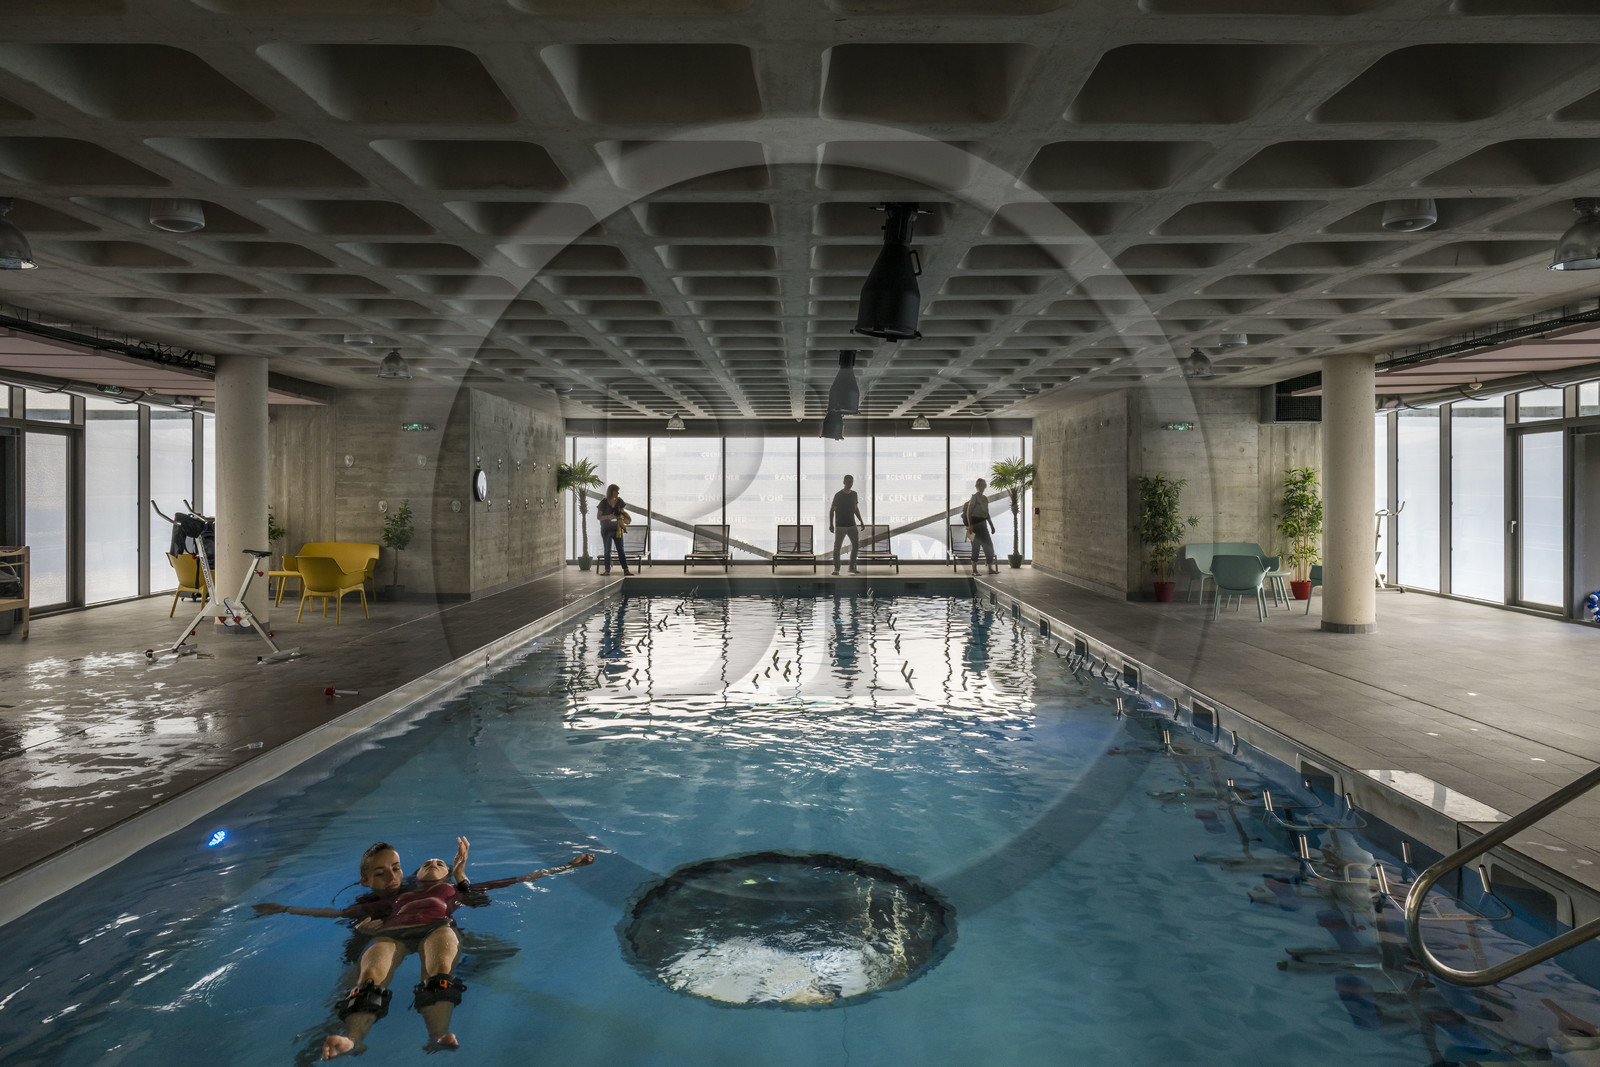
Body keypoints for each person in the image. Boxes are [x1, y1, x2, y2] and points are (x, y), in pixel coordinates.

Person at [255, 839, 595, 1059]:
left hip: (437, 928)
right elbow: (335, 913)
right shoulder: (395, 895)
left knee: (440, 972)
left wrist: (569, 866)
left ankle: (438, 1033)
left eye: (441, 862)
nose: (434, 861)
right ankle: (353, 1039)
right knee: (370, 980)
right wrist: (285, 909)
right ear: (415, 874)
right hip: (394, 933)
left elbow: (519, 880)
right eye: (427, 862)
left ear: (449, 872)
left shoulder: (454, 888)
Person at [829, 474, 864, 576]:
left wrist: (861, 521)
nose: (850, 484)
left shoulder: (854, 494)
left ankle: (852, 567)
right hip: (840, 526)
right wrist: (831, 524)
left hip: (852, 525)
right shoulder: (838, 495)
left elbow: (855, 509)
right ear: (844, 482)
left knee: (856, 546)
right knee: (837, 548)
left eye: (851, 482)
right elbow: (832, 510)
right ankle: (836, 568)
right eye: (848, 482)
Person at [965, 477, 1000, 575]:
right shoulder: (974, 497)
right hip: (974, 525)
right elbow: (969, 512)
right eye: (980, 486)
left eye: (983, 486)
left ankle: (990, 569)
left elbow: (987, 513)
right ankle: (974, 571)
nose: (982, 487)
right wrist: (970, 525)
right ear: (977, 486)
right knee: (975, 548)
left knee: (989, 547)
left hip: (983, 525)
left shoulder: (985, 498)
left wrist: (992, 525)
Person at [596, 484, 632, 576]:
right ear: (612, 491)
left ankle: (626, 570)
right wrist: (608, 516)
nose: (618, 493)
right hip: (606, 530)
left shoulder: (620, 501)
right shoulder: (604, 502)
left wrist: (621, 516)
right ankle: (607, 570)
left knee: (621, 549)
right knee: (607, 550)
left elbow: (622, 513)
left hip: (617, 529)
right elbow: (599, 517)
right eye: (616, 491)